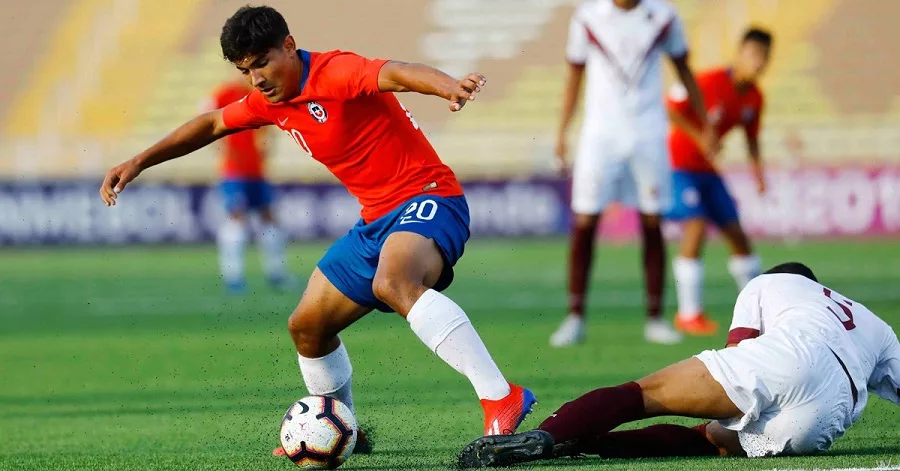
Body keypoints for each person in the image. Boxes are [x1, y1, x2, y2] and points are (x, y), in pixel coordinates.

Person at [99, 5, 536, 457]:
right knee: (307, 327)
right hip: (376, 221)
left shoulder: (334, 71)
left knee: (394, 283)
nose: (257, 79)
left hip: (429, 198)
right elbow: (211, 124)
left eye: (262, 63)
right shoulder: (269, 101)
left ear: (289, 46)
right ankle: (342, 427)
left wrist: (449, 85)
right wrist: (137, 162)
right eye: (246, 70)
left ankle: (502, 396)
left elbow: (397, 73)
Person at [458, 262, 900, 468]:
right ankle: (585, 444)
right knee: (715, 441)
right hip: (831, 412)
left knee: (645, 395)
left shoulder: (769, 282)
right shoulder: (875, 323)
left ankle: (546, 437)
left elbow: (738, 348)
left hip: (791, 360)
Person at [550, 0, 713, 347]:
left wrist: (705, 123)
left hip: (648, 132)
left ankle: (655, 319)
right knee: (585, 222)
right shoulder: (587, 17)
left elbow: (684, 69)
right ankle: (575, 317)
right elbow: (574, 76)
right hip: (600, 134)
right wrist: (562, 131)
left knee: (653, 222)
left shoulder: (664, 16)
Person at [668, 28, 773, 336]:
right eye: (753, 54)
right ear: (739, 52)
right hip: (679, 165)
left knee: (738, 236)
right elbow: (672, 109)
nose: (758, 62)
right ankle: (689, 314)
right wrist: (700, 136)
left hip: (709, 171)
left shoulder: (755, 97)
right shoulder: (710, 81)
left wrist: (758, 174)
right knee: (696, 227)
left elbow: (752, 139)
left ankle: (758, 313)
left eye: (764, 57)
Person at [206, 78, 295, 294]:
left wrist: (266, 148)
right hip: (234, 171)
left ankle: (276, 273)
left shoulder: (257, 93)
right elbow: (206, 121)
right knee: (236, 217)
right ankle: (233, 276)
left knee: (268, 217)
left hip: (256, 170)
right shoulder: (222, 93)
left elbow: (269, 128)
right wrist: (222, 150)